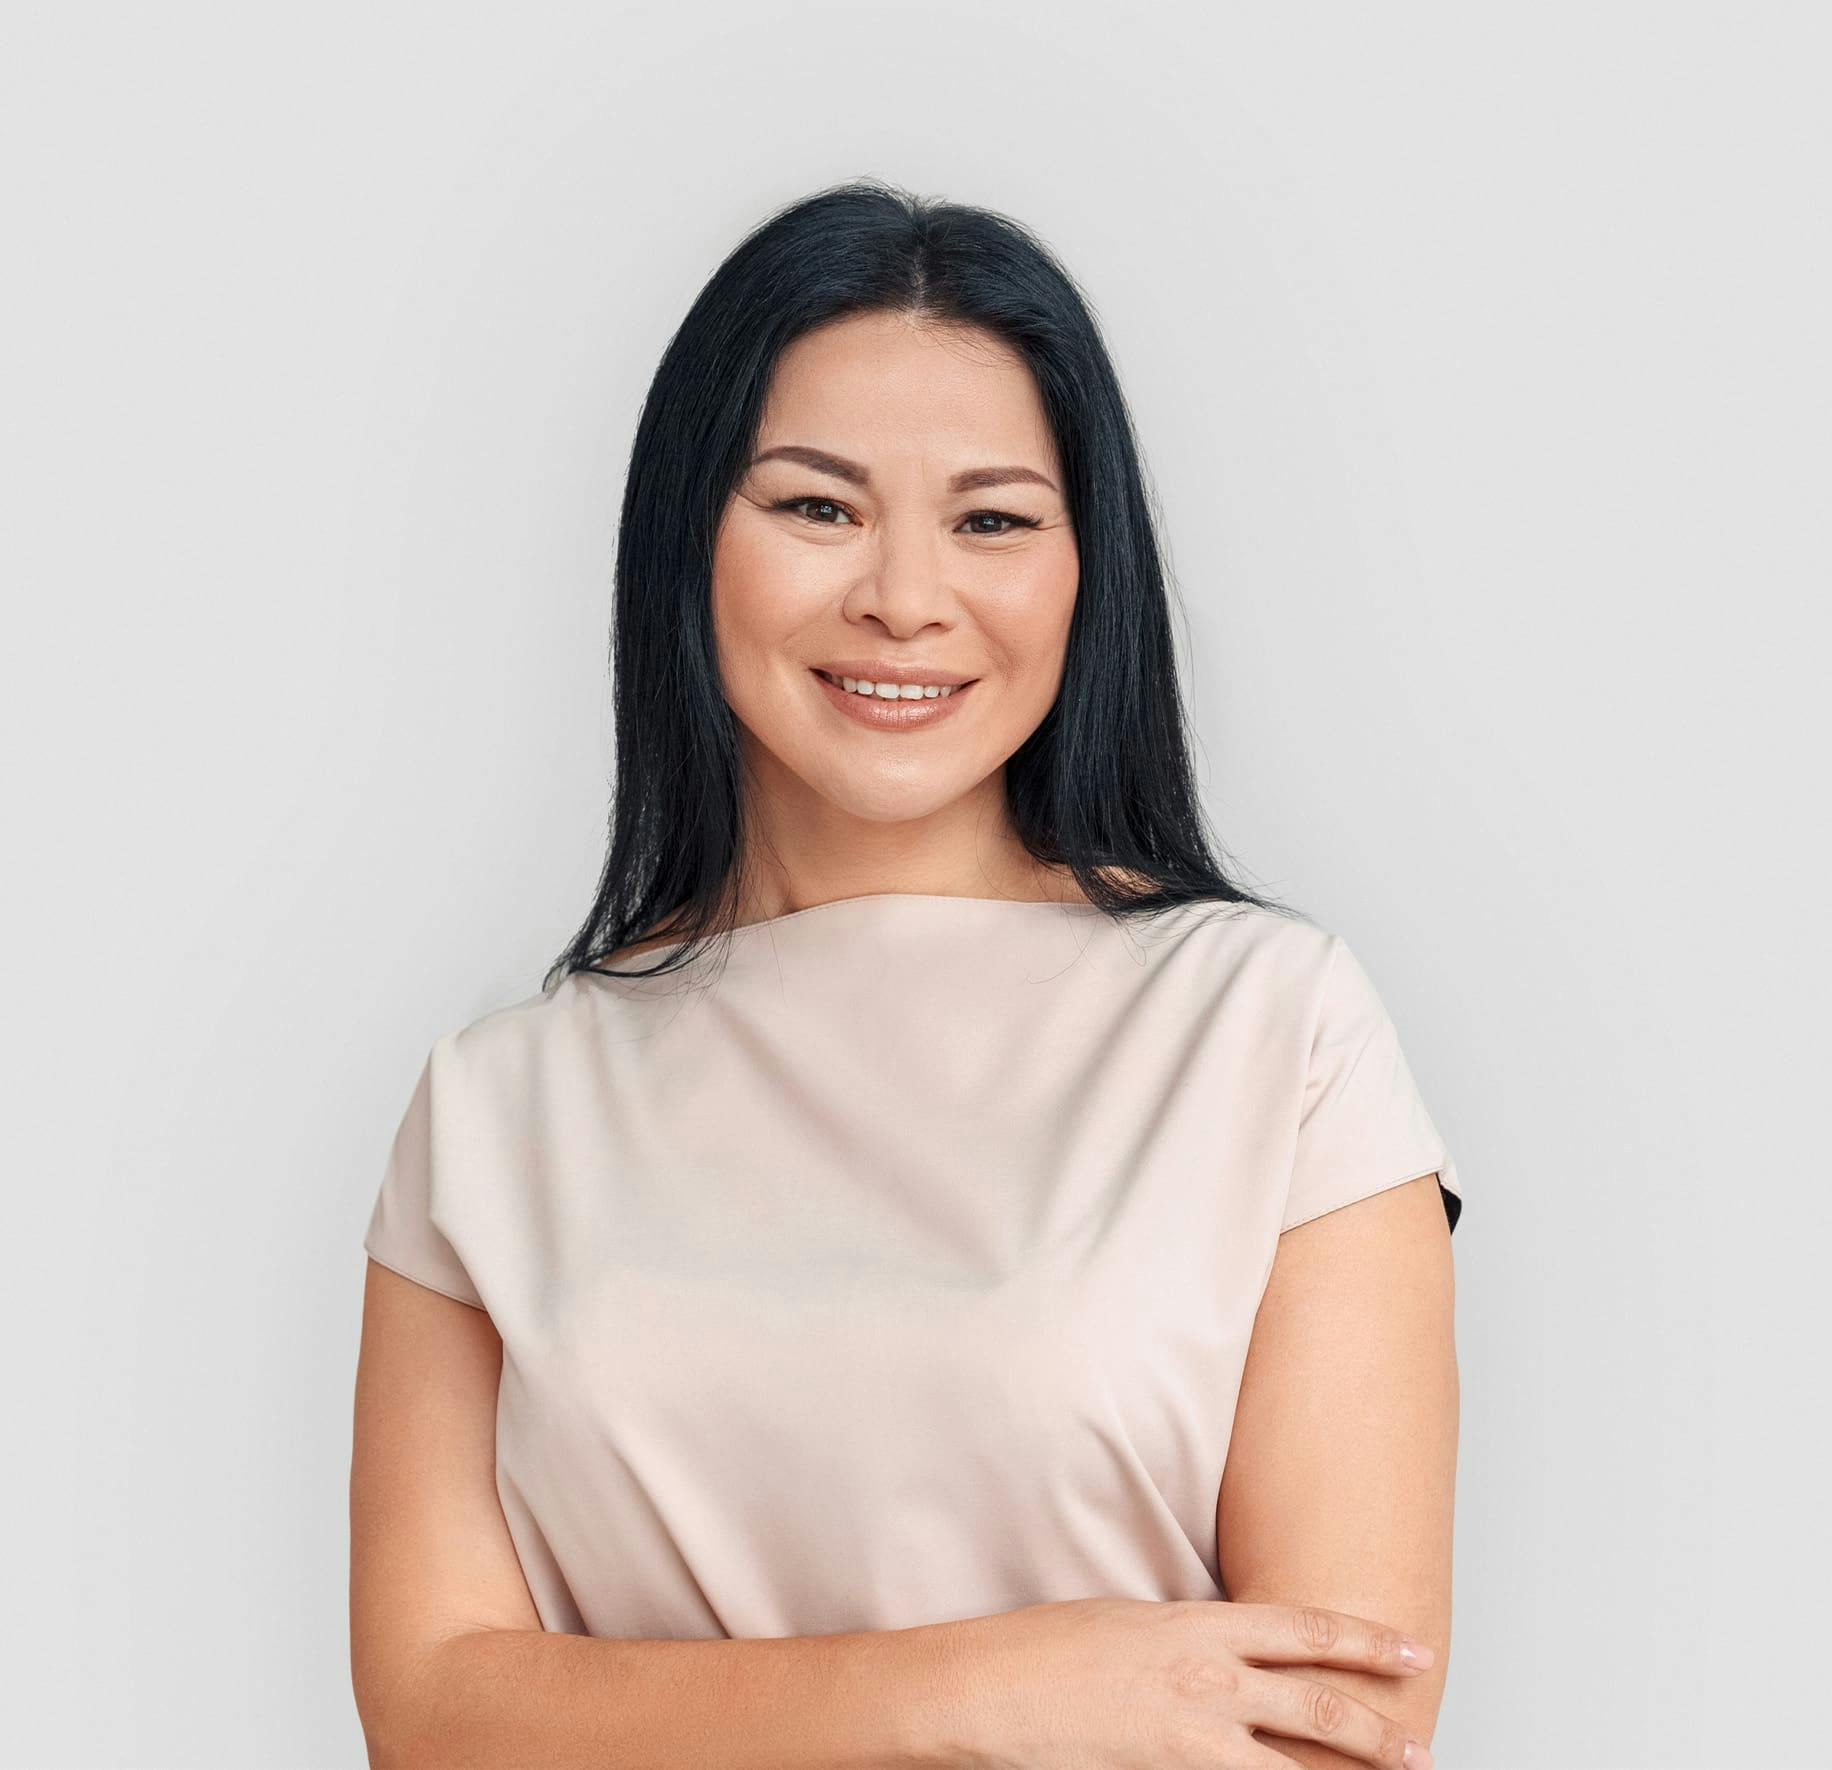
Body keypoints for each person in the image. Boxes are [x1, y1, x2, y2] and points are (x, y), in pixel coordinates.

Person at [350, 177, 1462, 1770]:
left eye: (992, 519)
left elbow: (1341, 1723)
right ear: (687, 536)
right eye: (819, 507)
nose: (904, 597)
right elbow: (437, 1717)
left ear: (1088, 571)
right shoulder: (494, 1109)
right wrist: (991, 1690)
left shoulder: (1275, 1033)